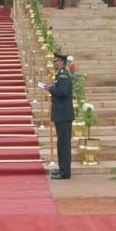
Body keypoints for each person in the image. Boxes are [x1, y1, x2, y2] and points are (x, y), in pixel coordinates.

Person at [40, 52, 74, 180]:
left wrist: (51, 89)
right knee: (61, 144)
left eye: (56, 61)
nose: (54, 63)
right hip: (62, 114)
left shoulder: (63, 75)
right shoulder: (60, 74)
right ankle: (62, 169)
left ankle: (65, 172)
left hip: (63, 114)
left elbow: (64, 92)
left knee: (64, 144)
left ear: (61, 62)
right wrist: (52, 87)